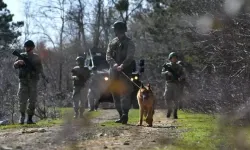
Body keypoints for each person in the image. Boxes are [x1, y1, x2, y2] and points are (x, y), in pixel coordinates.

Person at [106, 21, 135, 124]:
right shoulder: (112, 42)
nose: (118, 32)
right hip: (113, 71)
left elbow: (130, 56)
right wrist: (114, 64)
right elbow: (108, 55)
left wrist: (123, 65)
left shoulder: (129, 42)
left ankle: (125, 114)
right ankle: (120, 115)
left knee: (125, 92)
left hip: (125, 70)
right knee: (115, 93)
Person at [13, 40, 44, 124]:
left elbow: (40, 69)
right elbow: (15, 66)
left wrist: (42, 76)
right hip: (23, 81)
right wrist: (18, 62)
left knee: (32, 100)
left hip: (33, 81)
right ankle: (22, 116)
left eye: (28, 47)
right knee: (22, 100)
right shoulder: (21, 55)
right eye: (25, 47)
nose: (26, 48)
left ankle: (30, 118)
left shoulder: (36, 57)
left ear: (32, 47)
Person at [161, 52, 185, 119]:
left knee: (176, 99)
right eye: (173, 58)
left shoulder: (179, 66)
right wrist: (167, 72)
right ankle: (169, 109)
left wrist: (181, 77)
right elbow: (162, 73)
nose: (174, 59)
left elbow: (183, 74)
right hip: (168, 83)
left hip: (176, 84)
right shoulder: (167, 65)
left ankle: (175, 112)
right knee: (167, 97)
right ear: (170, 58)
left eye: (175, 58)